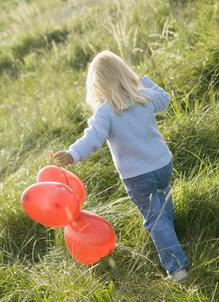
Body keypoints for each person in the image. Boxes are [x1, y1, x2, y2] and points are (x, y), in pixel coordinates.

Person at [54, 50, 189, 282]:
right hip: (163, 164)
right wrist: (144, 81)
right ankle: (173, 239)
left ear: (97, 85)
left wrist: (72, 153)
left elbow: (92, 138)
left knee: (154, 220)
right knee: (163, 199)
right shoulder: (142, 96)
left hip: (138, 176)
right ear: (126, 73)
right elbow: (164, 99)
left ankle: (177, 268)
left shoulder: (106, 112)